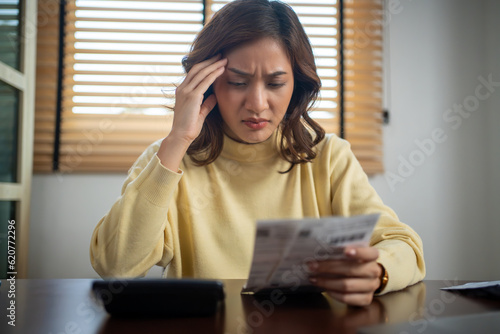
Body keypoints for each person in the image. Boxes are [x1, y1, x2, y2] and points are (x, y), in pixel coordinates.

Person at [90, 0, 425, 307]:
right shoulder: (169, 161)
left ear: (297, 87)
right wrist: (178, 139)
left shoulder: (328, 157)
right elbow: (116, 265)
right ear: (208, 84)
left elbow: (404, 245)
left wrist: (379, 272)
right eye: (238, 82)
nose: (257, 104)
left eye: (276, 84)